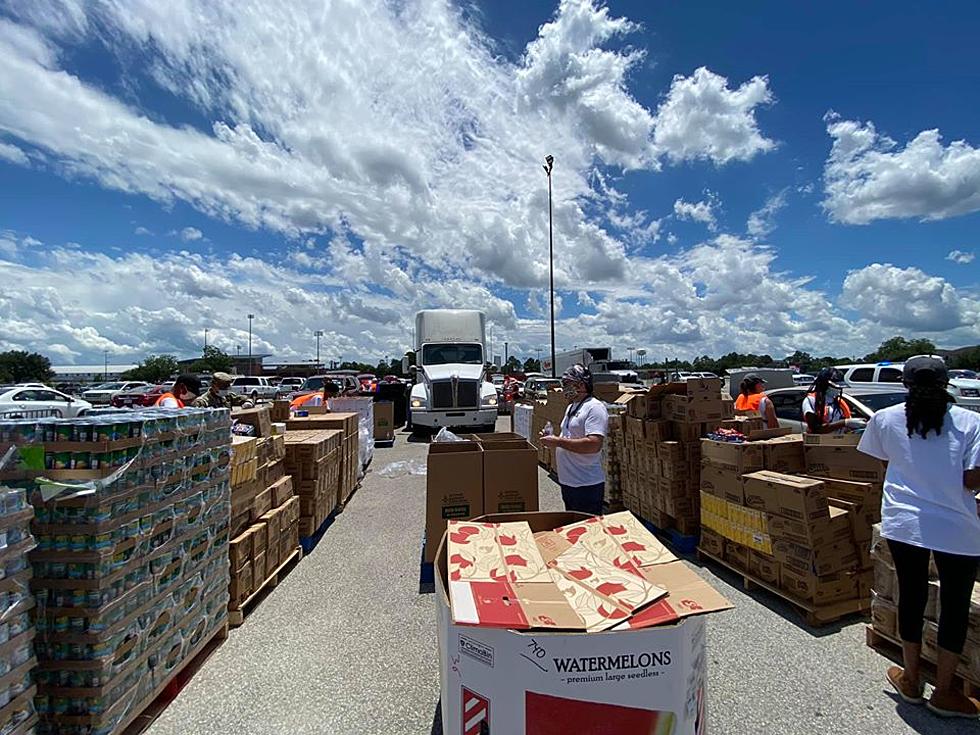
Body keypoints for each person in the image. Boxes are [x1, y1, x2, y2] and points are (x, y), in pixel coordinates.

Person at [858, 356, 980, 718]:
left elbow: (884, 462)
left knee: (912, 595)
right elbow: (973, 480)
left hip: (903, 521)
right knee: (955, 605)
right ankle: (944, 693)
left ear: (905, 384)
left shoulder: (885, 418)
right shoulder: (971, 421)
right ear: (946, 383)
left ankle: (910, 679)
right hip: (957, 526)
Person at [539, 364, 609, 516]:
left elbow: (593, 445)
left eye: (567, 385)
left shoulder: (594, 408)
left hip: (586, 485)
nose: (565, 389)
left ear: (581, 385)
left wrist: (557, 441)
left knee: (587, 531)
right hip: (568, 482)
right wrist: (551, 439)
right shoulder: (571, 407)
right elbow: (569, 438)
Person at [802, 367, 863, 433]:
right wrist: (844, 422)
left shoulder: (839, 402)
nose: (838, 389)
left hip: (839, 440)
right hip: (821, 441)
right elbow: (815, 429)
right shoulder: (811, 400)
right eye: (835, 386)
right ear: (825, 384)